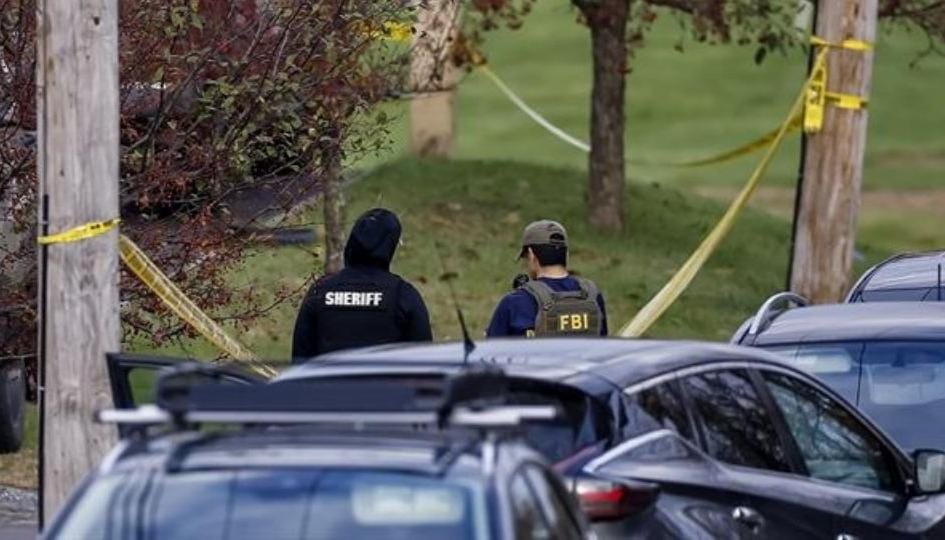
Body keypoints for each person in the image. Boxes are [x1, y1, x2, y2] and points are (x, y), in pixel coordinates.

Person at [291, 208, 432, 362]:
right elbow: (423, 362)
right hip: (384, 385)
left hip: (327, 384)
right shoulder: (403, 295)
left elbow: (299, 360)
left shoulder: (321, 291)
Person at [487, 220, 607, 338]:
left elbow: (492, 352)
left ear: (532, 255)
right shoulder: (592, 295)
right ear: (567, 254)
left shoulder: (514, 302)